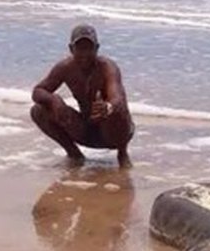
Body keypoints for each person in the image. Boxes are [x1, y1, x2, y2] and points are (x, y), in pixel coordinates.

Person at [30, 24, 135, 169]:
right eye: (80, 48)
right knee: (38, 110)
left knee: (118, 110)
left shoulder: (107, 67)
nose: (84, 54)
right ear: (71, 49)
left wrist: (108, 107)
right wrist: (54, 100)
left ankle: (122, 154)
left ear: (97, 48)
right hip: (86, 128)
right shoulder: (65, 68)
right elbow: (38, 91)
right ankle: (74, 154)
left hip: (112, 133)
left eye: (89, 48)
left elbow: (117, 97)